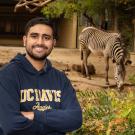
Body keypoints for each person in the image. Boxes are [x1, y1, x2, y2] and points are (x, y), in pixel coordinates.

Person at [0, 17, 82, 135]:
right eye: (34, 36)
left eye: (46, 38)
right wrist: (56, 127)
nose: (40, 42)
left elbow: (75, 119)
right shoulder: (7, 76)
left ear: (53, 43)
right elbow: (10, 125)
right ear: (25, 40)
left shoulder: (61, 79)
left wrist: (34, 115)